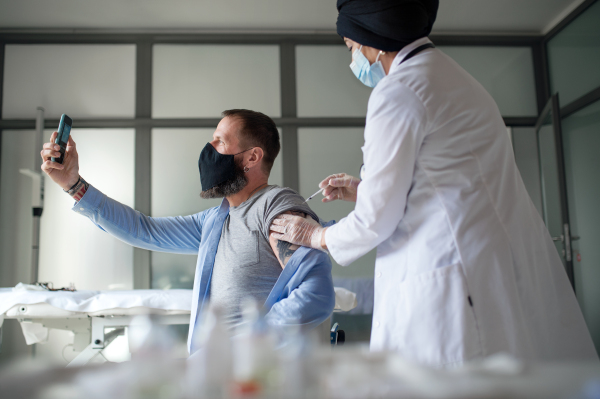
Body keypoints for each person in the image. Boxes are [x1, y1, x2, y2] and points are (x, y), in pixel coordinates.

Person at [270, 0, 598, 366]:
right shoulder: (455, 78)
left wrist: (314, 236)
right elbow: (451, 181)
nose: (353, 61)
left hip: (451, 278)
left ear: (371, 40)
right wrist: (365, 190)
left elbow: (376, 220)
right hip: (484, 262)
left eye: (350, 48)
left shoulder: (398, 92)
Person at [40, 109, 335, 355]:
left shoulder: (276, 206)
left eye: (219, 143)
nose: (209, 152)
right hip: (218, 375)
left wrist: (253, 343)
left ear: (252, 157)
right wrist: (73, 184)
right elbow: (145, 230)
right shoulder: (216, 221)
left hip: (255, 377)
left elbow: (316, 293)